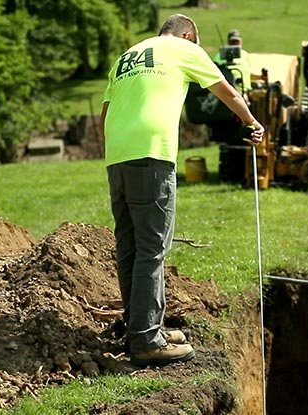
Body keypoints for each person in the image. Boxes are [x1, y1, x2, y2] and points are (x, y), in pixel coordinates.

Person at [100, 14, 264, 367]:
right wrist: (251, 122)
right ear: (187, 35)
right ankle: (146, 341)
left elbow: (105, 115)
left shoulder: (127, 56)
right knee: (152, 247)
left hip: (118, 158)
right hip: (152, 154)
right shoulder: (182, 48)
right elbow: (228, 92)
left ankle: (141, 327)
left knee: (129, 246)